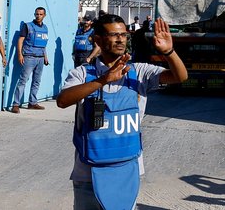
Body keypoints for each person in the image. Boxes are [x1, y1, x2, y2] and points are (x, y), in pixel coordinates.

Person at [57, 14, 188, 210]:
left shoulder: (140, 72)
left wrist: (169, 52)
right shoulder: (82, 73)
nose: (120, 40)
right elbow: (63, 101)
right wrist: (102, 80)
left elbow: (180, 77)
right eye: (114, 35)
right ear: (98, 39)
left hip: (127, 171)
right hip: (88, 173)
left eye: (124, 35)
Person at [11, 7, 49, 113]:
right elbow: (20, 40)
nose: (38, 16)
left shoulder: (45, 28)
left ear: (44, 15)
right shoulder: (27, 26)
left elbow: (43, 44)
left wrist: (45, 57)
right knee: (23, 81)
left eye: (41, 14)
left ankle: (32, 103)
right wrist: (19, 55)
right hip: (29, 57)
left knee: (36, 81)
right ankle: (16, 104)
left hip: (40, 58)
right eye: (37, 14)